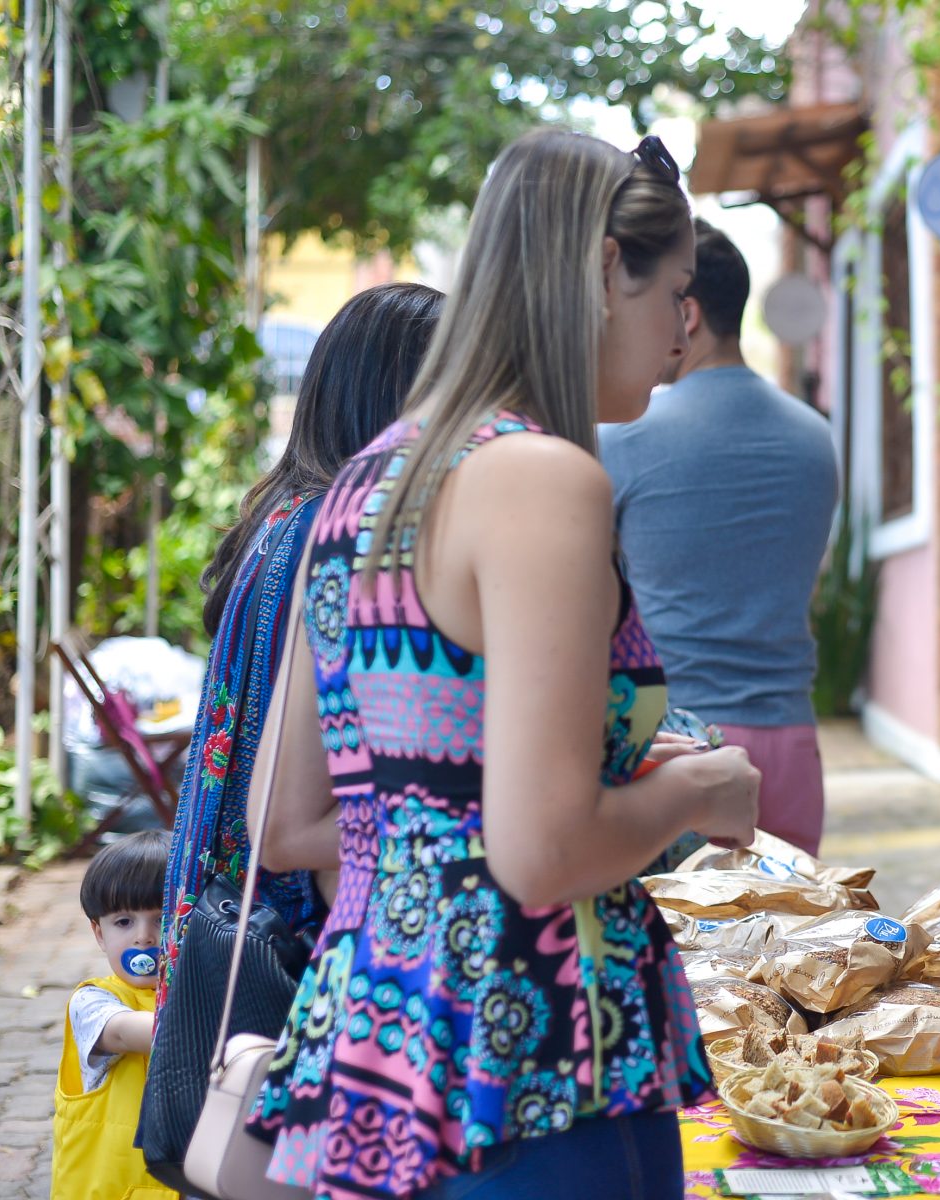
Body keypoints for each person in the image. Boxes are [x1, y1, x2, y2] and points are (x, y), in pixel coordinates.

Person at [247, 129, 761, 1200]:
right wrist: (693, 788)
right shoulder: (536, 478)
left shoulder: (359, 484)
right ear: (607, 265)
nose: (680, 333)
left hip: (382, 1042)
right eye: (673, 292)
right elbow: (541, 854)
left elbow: (292, 818)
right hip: (531, 1052)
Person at [156, 281, 443, 1014]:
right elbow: (296, 814)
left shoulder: (286, 510)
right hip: (283, 930)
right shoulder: (344, 536)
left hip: (228, 905)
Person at [600, 218, 838, 853]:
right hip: (791, 744)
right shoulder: (816, 437)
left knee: (687, 948)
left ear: (689, 312)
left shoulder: (623, 435)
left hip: (677, 744)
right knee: (791, 946)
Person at [54, 829, 175, 1200]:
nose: (144, 937)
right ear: (99, 934)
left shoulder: (200, 991)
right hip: (112, 1190)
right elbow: (125, 1032)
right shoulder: (92, 1002)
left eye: (162, 919)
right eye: (124, 922)